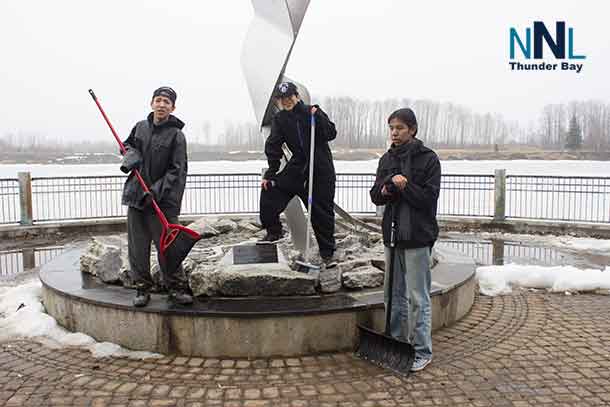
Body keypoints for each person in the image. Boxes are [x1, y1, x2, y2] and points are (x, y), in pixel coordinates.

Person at [369, 108, 441, 372]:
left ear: (412, 129)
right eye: (391, 128)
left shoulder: (428, 159)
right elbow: (376, 194)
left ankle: (422, 350)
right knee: (393, 294)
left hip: (418, 237)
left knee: (417, 297)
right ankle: (398, 342)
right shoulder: (387, 159)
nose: (394, 133)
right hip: (392, 236)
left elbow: (427, 199)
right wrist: (388, 186)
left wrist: (404, 185)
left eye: (399, 128)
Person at [120, 86, 192, 307]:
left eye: (166, 102)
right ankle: (142, 287)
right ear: (151, 103)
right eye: (158, 100)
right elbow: (127, 146)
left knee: (167, 247)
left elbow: (177, 170)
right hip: (137, 198)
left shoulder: (176, 136)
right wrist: (130, 155)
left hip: (163, 202)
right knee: (137, 246)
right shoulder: (139, 128)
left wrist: (156, 192)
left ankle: (176, 287)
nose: (161, 104)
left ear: (173, 107)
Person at [259, 82, 338, 266]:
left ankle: (327, 252)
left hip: (320, 168)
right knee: (270, 190)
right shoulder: (280, 120)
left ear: (297, 96)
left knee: (321, 211)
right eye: (282, 99)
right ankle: (274, 231)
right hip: (297, 168)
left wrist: (318, 117)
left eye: (289, 97)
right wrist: (271, 173)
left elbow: (331, 133)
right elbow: (273, 145)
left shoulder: (311, 112)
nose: (286, 101)